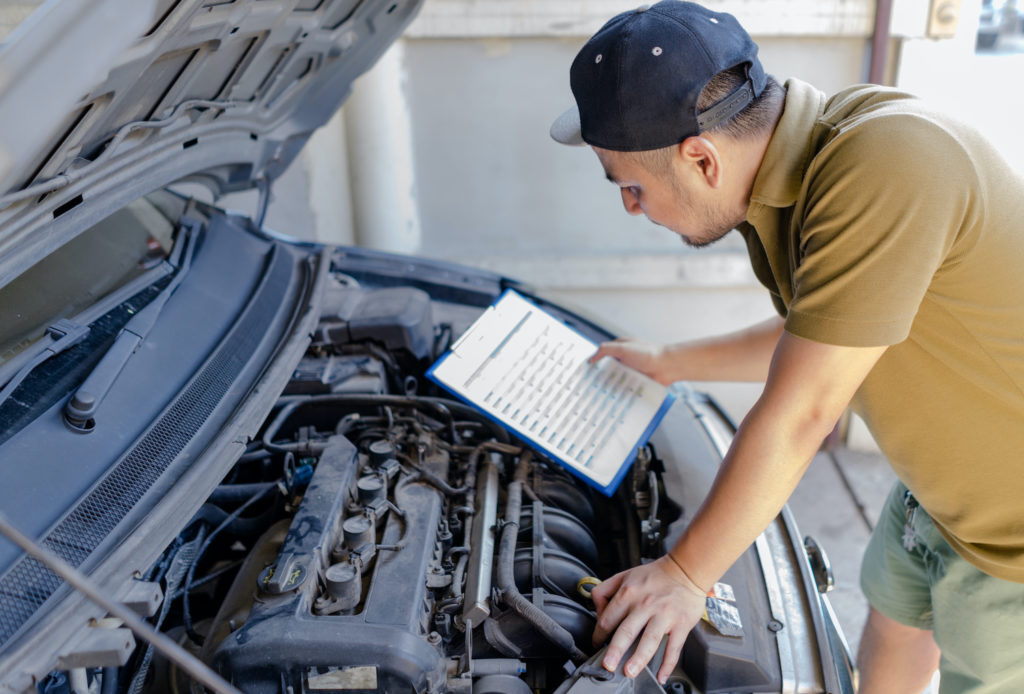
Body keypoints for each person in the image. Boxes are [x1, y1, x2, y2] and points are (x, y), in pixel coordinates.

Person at [549, 1, 1024, 691]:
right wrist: (671, 362)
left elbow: (804, 410)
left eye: (631, 187)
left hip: (1008, 533)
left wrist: (685, 575)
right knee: (893, 624)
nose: (632, 207)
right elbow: (827, 332)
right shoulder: (811, 161)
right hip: (936, 495)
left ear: (702, 159)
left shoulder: (884, 166)